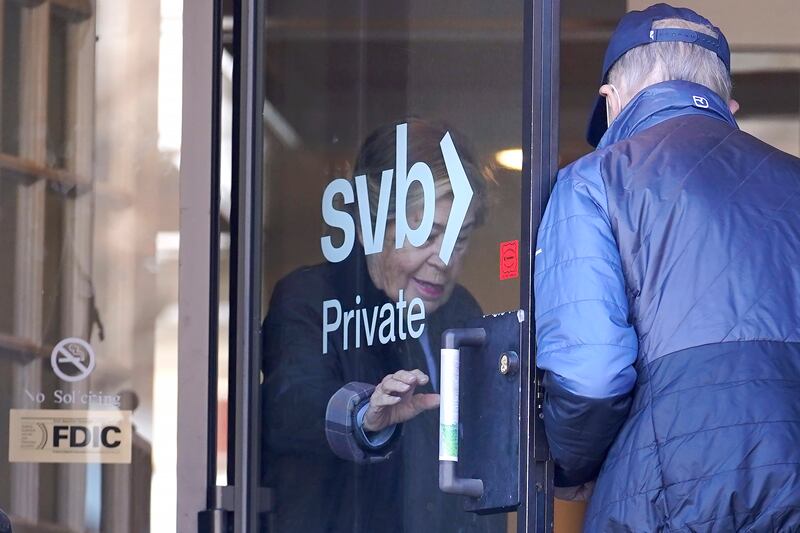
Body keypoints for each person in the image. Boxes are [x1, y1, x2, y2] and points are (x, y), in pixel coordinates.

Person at [535, 4, 800, 531]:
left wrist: (567, 470)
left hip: (666, 496)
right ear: (729, 105)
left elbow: (590, 378)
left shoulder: (592, 181)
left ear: (610, 102)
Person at [260, 118, 500, 532]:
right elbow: (291, 408)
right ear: (375, 220)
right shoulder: (310, 298)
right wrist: (361, 418)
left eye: (458, 239)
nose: (444, 261)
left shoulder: (461, 312)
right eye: (427, 233)